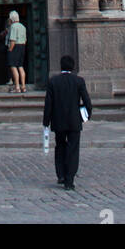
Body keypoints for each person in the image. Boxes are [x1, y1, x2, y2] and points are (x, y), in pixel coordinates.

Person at [42, 55, 93, 191]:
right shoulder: (78, 81)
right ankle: (69, 180)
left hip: (58, 121)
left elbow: (48, 104)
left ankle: (61, 175)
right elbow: (87, 102)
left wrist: (46, 121)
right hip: (74, 121)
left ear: (61, 66)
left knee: (60, 147)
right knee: (73, 149)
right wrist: (85, 117)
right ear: (73, 66)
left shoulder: (53, 81)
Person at [6, 10, 28, 93]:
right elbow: (25, 40)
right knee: (20, 66)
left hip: (15, 47)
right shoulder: (23, 26)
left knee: (13, 67)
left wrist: (10, 49)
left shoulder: (13, 26)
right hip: (22, 46)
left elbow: (13, 40)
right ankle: (23, 86)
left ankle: (17, 87)